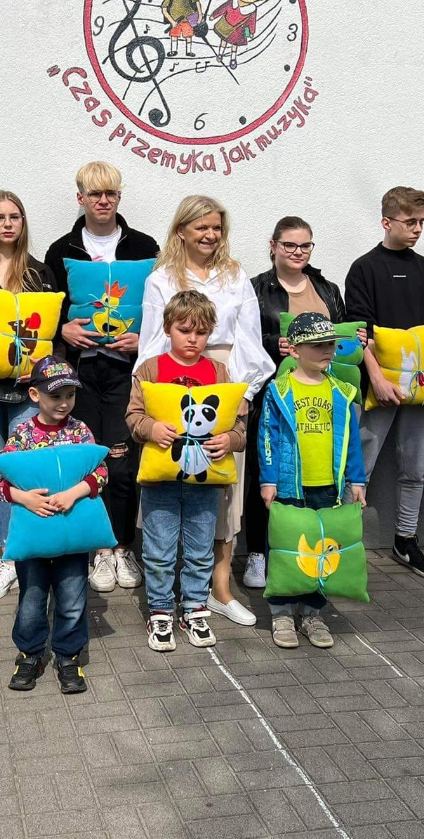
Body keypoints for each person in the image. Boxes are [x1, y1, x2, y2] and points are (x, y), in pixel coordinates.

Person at [138, 195, 273, 627]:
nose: (211, 235)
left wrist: (244, 391)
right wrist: (156, 401)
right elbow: (152, 341)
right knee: (174, 478)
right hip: (173, 388)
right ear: (181, 231)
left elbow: (249, 337)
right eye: (202, 227)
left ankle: (219, 588)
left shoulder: (235, 275)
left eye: (216, 227)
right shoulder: (161, 278)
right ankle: (169, 591)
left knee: (223, 491)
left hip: (224, 382)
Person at [43, 161, 157, 594]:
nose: (103, 201)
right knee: (88, 460)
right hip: (82, 372)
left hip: (127, 371)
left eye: (110, 193)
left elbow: (161, 309)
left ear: (119, 197)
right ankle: (98, 552)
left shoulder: (144, 247)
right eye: (95, 194)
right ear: (81, 198)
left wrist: (143, 338)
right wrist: (63, 331)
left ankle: (122, 546)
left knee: (123, 463)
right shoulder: (62, 249)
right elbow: (49, 311)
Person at [345, 186, 424, 580]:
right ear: (386, 221)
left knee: (415, 468)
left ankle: (405, 540)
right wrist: (376, 378)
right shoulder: (364, 268)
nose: (418, 229)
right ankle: (345, 545)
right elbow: (359, 331)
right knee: (360, 467)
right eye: (410, 221)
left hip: (423, 390)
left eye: (422, 222)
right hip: (377, 389)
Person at [127, 292, 247, 651]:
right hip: (160, 481)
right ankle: (160, 611)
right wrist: (151, 428)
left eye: (201, 332)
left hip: (206, 483)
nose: (193, 339)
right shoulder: (150, 369)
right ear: (167, 329)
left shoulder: (218, 372)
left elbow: (238, 424)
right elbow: (133, 416)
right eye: (184, 330)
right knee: (159, 551)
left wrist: (230, 439)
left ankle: (194, 607)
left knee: (200, 551)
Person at [245, 216, 347, 589]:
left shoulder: (328, 289)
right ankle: (257, 554)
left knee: (313, 475)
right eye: (289, 245)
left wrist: (354, 342)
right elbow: (244, 339)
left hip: (320, 396)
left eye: (305, 245)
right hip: (274, 396)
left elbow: (341, 336)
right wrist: (275, 343)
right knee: (267, 472)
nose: (298, 252)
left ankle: (305, 553)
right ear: (273, 246)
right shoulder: (256, 288)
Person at [0, 357, 107, 694]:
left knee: (73, 596)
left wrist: (74, 493)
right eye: (55, 396)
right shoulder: (22, 434)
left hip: (74, 536)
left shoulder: (80, 431)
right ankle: (30, 654)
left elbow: (101, 472)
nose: (64, 403)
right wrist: (25, 498)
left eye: (70, 395)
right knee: (32, 597)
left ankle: (68, 656)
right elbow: (2, 481)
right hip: (35, 536)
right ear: (34, 395)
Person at [257, 312, 367, 650]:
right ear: (294, 350)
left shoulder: (341, 392)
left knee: (323, 549)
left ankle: (312, 614)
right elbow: (267, 437)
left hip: (329, 488)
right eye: (318, 345)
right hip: (290, 486)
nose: (327, 350)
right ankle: (281, 614)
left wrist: (357, 480)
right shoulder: (279, 390)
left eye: (330, 344)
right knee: (287, 549)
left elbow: (352, 441)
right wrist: (268, 479)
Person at [0, 190, 59, 602]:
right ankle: (8, 559)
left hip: (28, 392)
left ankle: (29, 559)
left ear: (23, 223)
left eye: (15, 217)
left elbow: (53, 335)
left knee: (23, 470)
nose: (7, 224)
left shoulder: (40, 274)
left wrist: (39, 367)